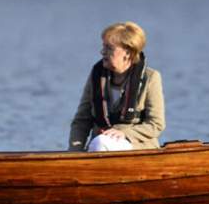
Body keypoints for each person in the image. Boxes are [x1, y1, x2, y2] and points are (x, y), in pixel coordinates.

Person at [69, 22, 165, 152]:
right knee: (100, 142)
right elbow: (82, 120)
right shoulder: (96, 75)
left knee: (101, 142)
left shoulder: (151, 77)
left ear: (128, 53)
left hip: (138, 147)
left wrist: (126, 134)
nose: (103, 52)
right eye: (103, 47)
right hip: (98, 147)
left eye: (109, 48)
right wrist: (74, 152)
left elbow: (156, 125)